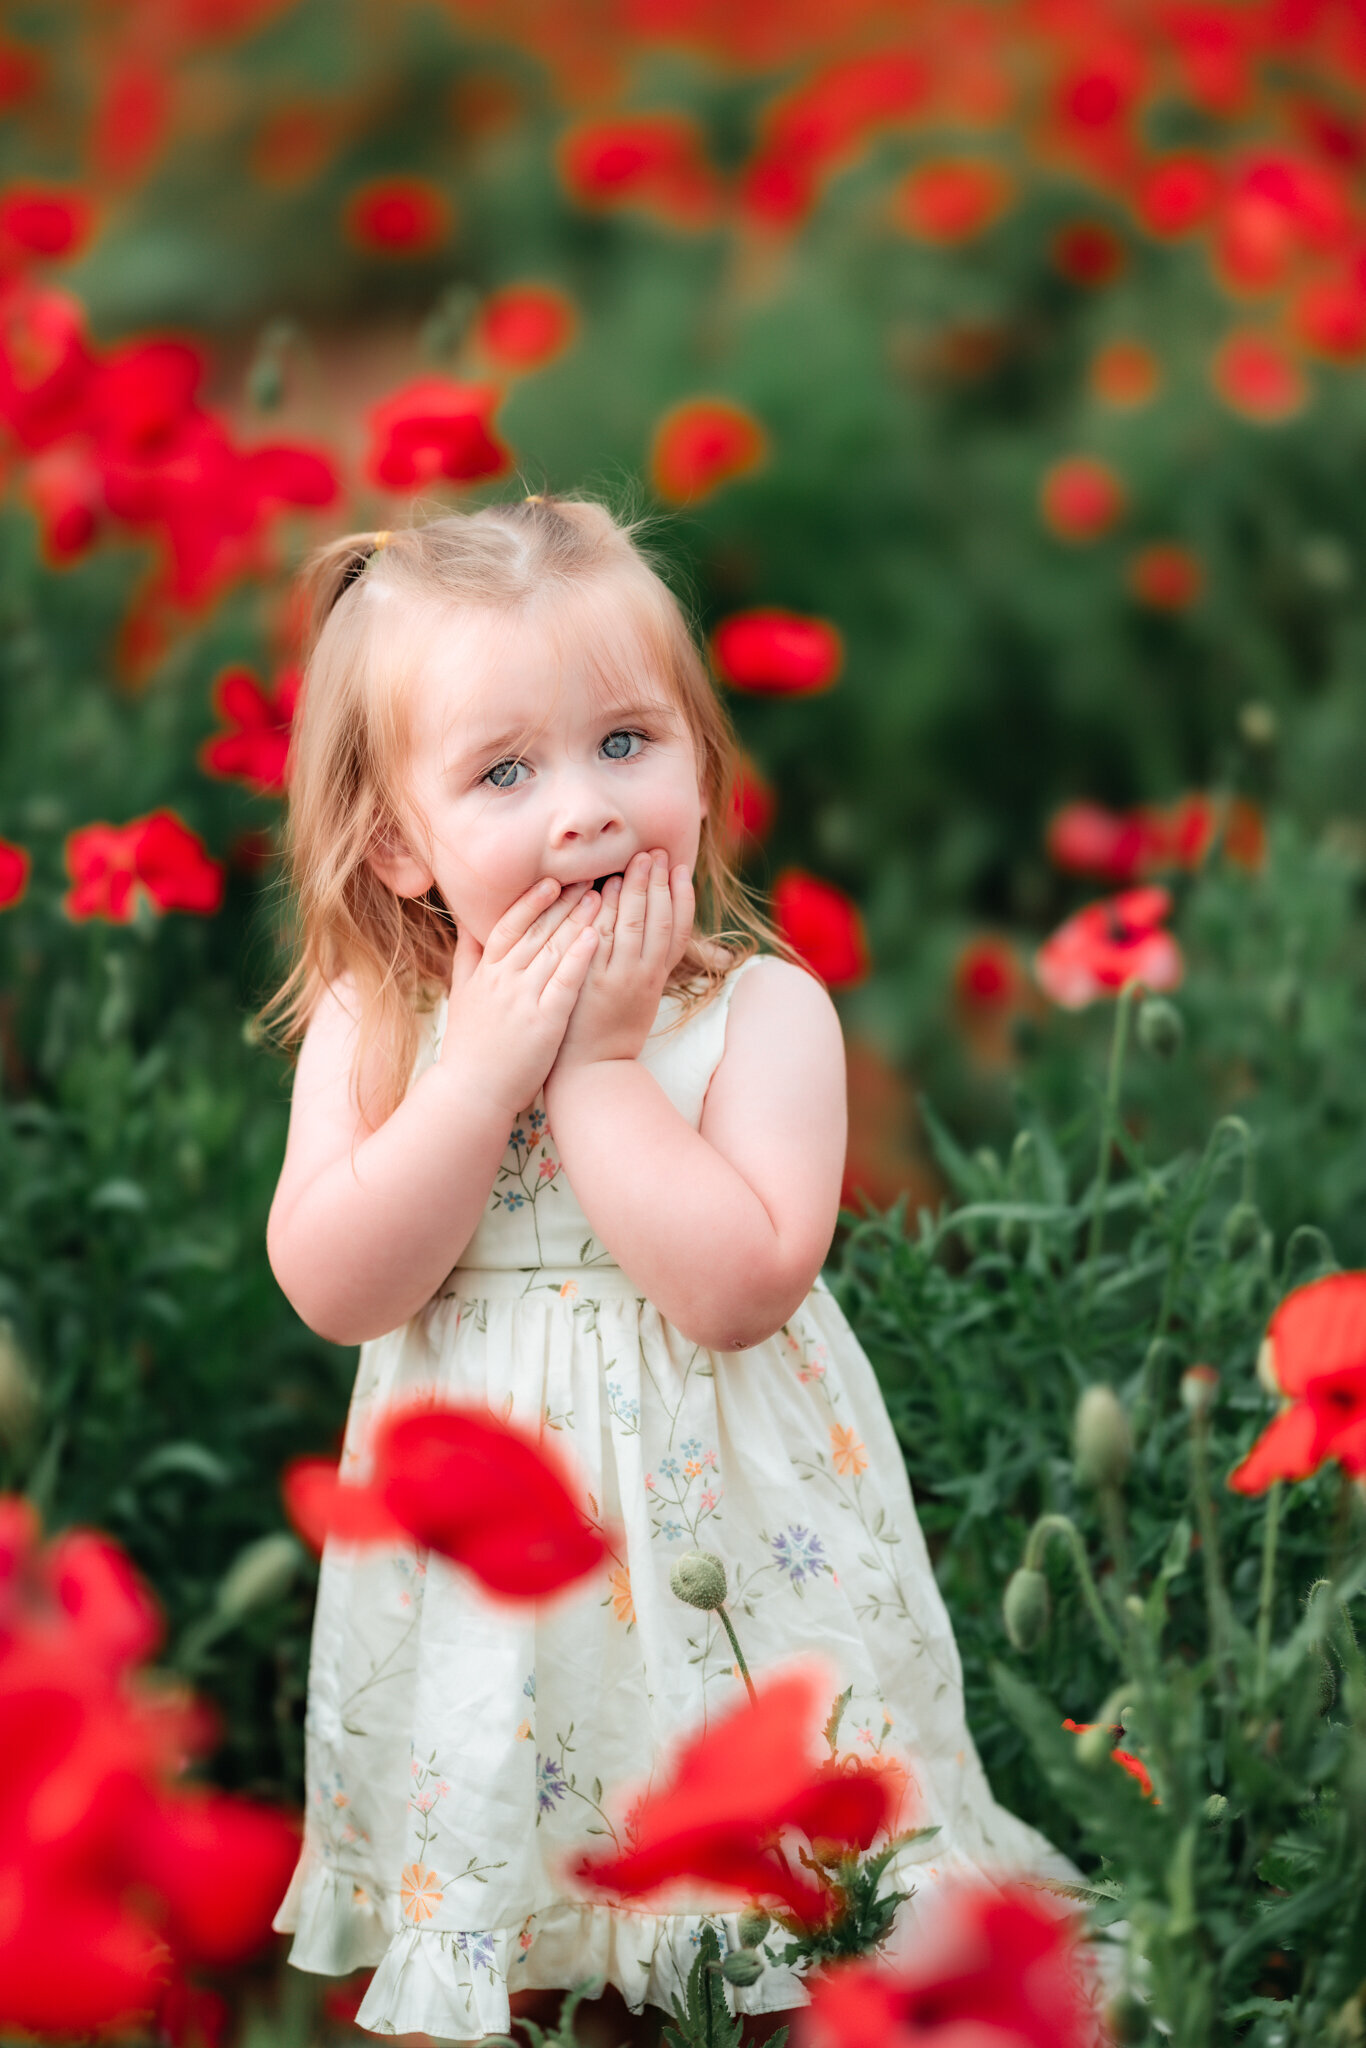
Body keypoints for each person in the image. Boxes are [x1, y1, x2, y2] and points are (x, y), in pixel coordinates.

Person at [265, 496, 1088, 2041]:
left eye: (628, 743)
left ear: (703, 774)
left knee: (779, 1889)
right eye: (505, 772)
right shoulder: (378, 1034)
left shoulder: (759, 1015)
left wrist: (596, 1068)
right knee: (514, 1853)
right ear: (400, 844)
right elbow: (335, 1286)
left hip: (731, 1544)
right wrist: (474, 1083)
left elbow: (735, 1287)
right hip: (491, 1567)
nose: (583, 809)